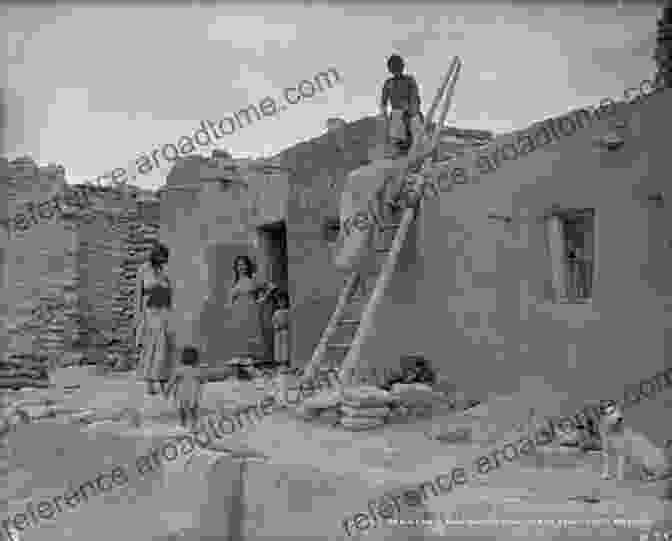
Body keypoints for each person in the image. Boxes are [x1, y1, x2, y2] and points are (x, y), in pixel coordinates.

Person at [134, 242, 175, 396]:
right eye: (160, 256)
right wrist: (137, 316)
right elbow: (139, 293)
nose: (163, 259)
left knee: (164, 346)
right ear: (155, 255)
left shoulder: (165, 270)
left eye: (165, 257)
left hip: (163, 310)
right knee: (151, 345)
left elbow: (170, 292)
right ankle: (150, 381)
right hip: (149, 312)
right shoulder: (143, 270)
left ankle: (163, 381)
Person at [226, 255, 274, 363]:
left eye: (244, 264)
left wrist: (262, 299)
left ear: (248, 266)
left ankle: (251, 360)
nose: (242, 267)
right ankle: (242, 359)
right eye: (239, 265)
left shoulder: (253, 279)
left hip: (251, 311)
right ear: (236, 267)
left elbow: (271, 287)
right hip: (238, 313)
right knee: (240, 336)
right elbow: (230, 301)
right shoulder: (235, 282)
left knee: (252, 334)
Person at [380, 54, 424, 155]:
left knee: (415, 123)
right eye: (393, 67)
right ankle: (399, 149)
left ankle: (417, 148)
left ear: (402, 66)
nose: (396, 69)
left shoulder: (409, 80)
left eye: (398, 66)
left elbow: (415, 97)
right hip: (397, 114)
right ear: (390, 69)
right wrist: (385, 115)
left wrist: (411, 111)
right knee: (396, 121)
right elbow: (383, 102)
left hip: (411, 112)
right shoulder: (388, 83)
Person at [164, 346, 205, 431]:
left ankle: (183, 423)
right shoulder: (196, 370)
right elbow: (202, 380)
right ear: (196, 358)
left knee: (181, 409)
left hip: (181, 393)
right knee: (193, 409)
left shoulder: (179, 369)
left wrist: (167, 390)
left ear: (182, 358)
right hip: (193, 393)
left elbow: (172, 381)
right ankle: (193, 424)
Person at [271, 291, 291, 368]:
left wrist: (286, 325)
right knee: (278, 346)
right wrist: (276, 326)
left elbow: (290, 321)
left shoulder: (288, 312)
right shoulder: (276, 312)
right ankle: (279, 361)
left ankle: (284, 361)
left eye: (283, 301)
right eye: (279, 302)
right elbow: (273, 321)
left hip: (285, 331)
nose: (281, 303)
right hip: (278, 332)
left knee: (285, 346)